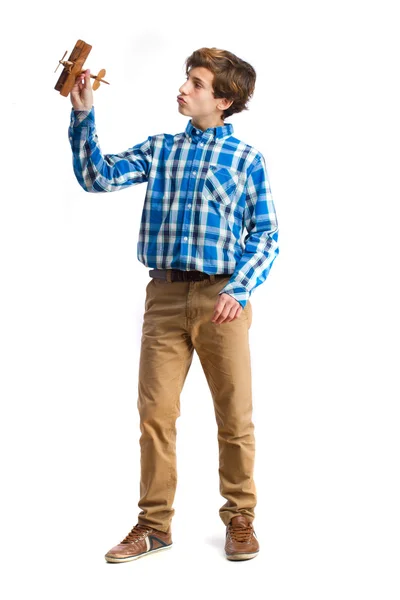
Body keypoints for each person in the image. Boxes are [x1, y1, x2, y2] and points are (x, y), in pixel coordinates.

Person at [68, 47, 279, 562]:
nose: (184, 89)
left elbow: (267, 234)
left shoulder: (247, 159)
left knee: (234, 416)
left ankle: (241, 516)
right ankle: (154, 525)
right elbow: (97, 176)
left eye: (198, 84)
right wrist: (82, 115)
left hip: (221, 298)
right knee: (155, 416)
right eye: (187, 79)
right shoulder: (161, 148)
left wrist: (239, 288)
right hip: (162, 297)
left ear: (224, 99)